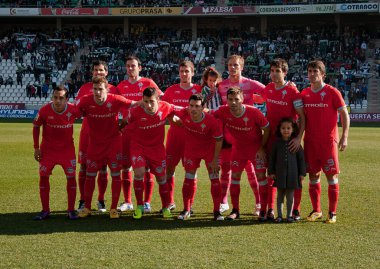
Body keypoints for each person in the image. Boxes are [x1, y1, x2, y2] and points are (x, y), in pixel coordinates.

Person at [76, 76, 135, 219]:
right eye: (95, 89)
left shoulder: (115, 99)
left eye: (100, 89)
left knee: (115, 175)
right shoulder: (85, 100)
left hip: (113, 144)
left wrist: (126, 121)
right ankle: (87, 208)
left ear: (107, 89)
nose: (97, 92)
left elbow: (135, 104)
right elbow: (73, 110)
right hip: (94, 144)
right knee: (90, 175)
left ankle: (113, 208)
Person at [301, 60, 350, 224]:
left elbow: (344, 113)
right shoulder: (305, 93)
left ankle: (332, 212)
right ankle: (317, 211)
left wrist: (344, 136)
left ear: (323, 74)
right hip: (310, 142)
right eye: (309, 71)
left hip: (328, 142)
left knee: (331, 176)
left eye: (315, 71)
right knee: (313, 176)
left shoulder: (332, 92)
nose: (312, 74)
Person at [217, 55, 265, 217]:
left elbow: (269, 92)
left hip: (248, 133)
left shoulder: (249, 83)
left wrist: (290, 85)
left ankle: (259, 203)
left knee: (251, 171)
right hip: (228, 133)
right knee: (226, 168)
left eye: (236, 65)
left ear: (241, 67)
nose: (232, 68)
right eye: (230, 65)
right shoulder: (221, 85)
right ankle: (224, 202)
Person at [212, 87, 270, 220]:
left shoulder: (254, 112)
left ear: (242, 99)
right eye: (230, 99)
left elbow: (267, 129)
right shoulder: (222, 111)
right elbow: (207, 114)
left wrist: (262, 148)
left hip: (255, 149)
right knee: (235, 178)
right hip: (238, 149)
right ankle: (235, 210)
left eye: (236, 99)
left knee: (261, 178)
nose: (233, 103)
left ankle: (263, 210)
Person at [260, 58, 305, 221]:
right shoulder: (268, 88)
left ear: (284, 73)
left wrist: (298, 138)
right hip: (272, 139)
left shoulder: (293, 91)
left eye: (277, 71)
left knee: (295, 175)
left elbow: (301, 116)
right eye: (272, 71)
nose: (273, 74)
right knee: (272, 174)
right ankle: (271, 209)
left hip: (290, 140)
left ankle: (296, 210)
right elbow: (259, 99)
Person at [117, 56, 163, 214]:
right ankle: (128, 201)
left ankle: (147, 202)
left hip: (144, 132)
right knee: (126, 166)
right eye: (128, 66)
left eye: (133, 66)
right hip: (126, 131)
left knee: (147, 167)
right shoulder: (121, 85)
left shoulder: (148, 83)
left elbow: (160, 98)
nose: (130, 68)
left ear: (140, 67)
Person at [124, 87, 176, 219]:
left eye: (152, 101)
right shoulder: (135, 111)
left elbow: (183, 111)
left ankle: (165, 207)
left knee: (161, 178)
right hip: (139, 147)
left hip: (157, 149)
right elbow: (124, 121)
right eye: (146, 101)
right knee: (139, 173)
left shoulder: (166, 107)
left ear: (158, 99)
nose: (148, 105)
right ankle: (140, 206)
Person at [32, 86, 82, 220]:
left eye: (61, 98)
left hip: (67, 151)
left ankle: (71, 210)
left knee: (71, 178)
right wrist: (36, 147)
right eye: (55, 97)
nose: (58, 101)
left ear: (67, 99)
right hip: (48, 151)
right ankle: (45, 210)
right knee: (43, 176)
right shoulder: (44, 110)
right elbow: (36, 127)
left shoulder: (73, 110)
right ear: (52, 97)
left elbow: (87, 116)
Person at [75, 60, 118, 213]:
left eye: (101, 70)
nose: (98, 72)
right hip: (88, 132)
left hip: (107, 135)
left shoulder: (114, 89)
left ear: (106, 72)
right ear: (92, 72)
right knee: (84, 166)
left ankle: (101, 199)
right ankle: (82, 200)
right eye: (95, 70)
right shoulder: (85, 88)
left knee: (103, 167)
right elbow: (77, 108)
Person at [175, 94, 224, 221]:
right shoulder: (184, 114)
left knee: (214, 179)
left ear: (203, 108)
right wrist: (177, 122)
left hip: (209, 152)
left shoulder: (211, 120)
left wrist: (215, 160)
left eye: (197, 106)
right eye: (191, 106)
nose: (193, 109)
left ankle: (217, 211)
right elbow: (169, 111)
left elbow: (219, 140)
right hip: (191, 151)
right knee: (188, 179)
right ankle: (187, 209)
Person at [161, 60, 202, 211]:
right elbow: (164, 109)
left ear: (192, 72)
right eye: (181, 71)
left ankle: (189, 206)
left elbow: (206, 111)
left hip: (192, 138)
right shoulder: (171, 91)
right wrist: (172, 119)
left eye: (187, 71)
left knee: (191, 171)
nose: (184, 74)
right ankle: (170, 202)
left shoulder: (199, 90)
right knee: (169, 169)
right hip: (174, 137)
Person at [268, 118, 306, 223]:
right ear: (279, 130)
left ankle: (289, 215)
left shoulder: (296, 143)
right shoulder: (276, 143)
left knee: (290, 196)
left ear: (293, 129)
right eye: (283, 128)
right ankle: (279, 216)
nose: (286, 130)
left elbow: (301, 159)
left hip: (293, 174)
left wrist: (302, 173)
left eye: (288, 128)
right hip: (279, 174)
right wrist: (271, 172)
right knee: (280, 196)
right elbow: (272, 158)